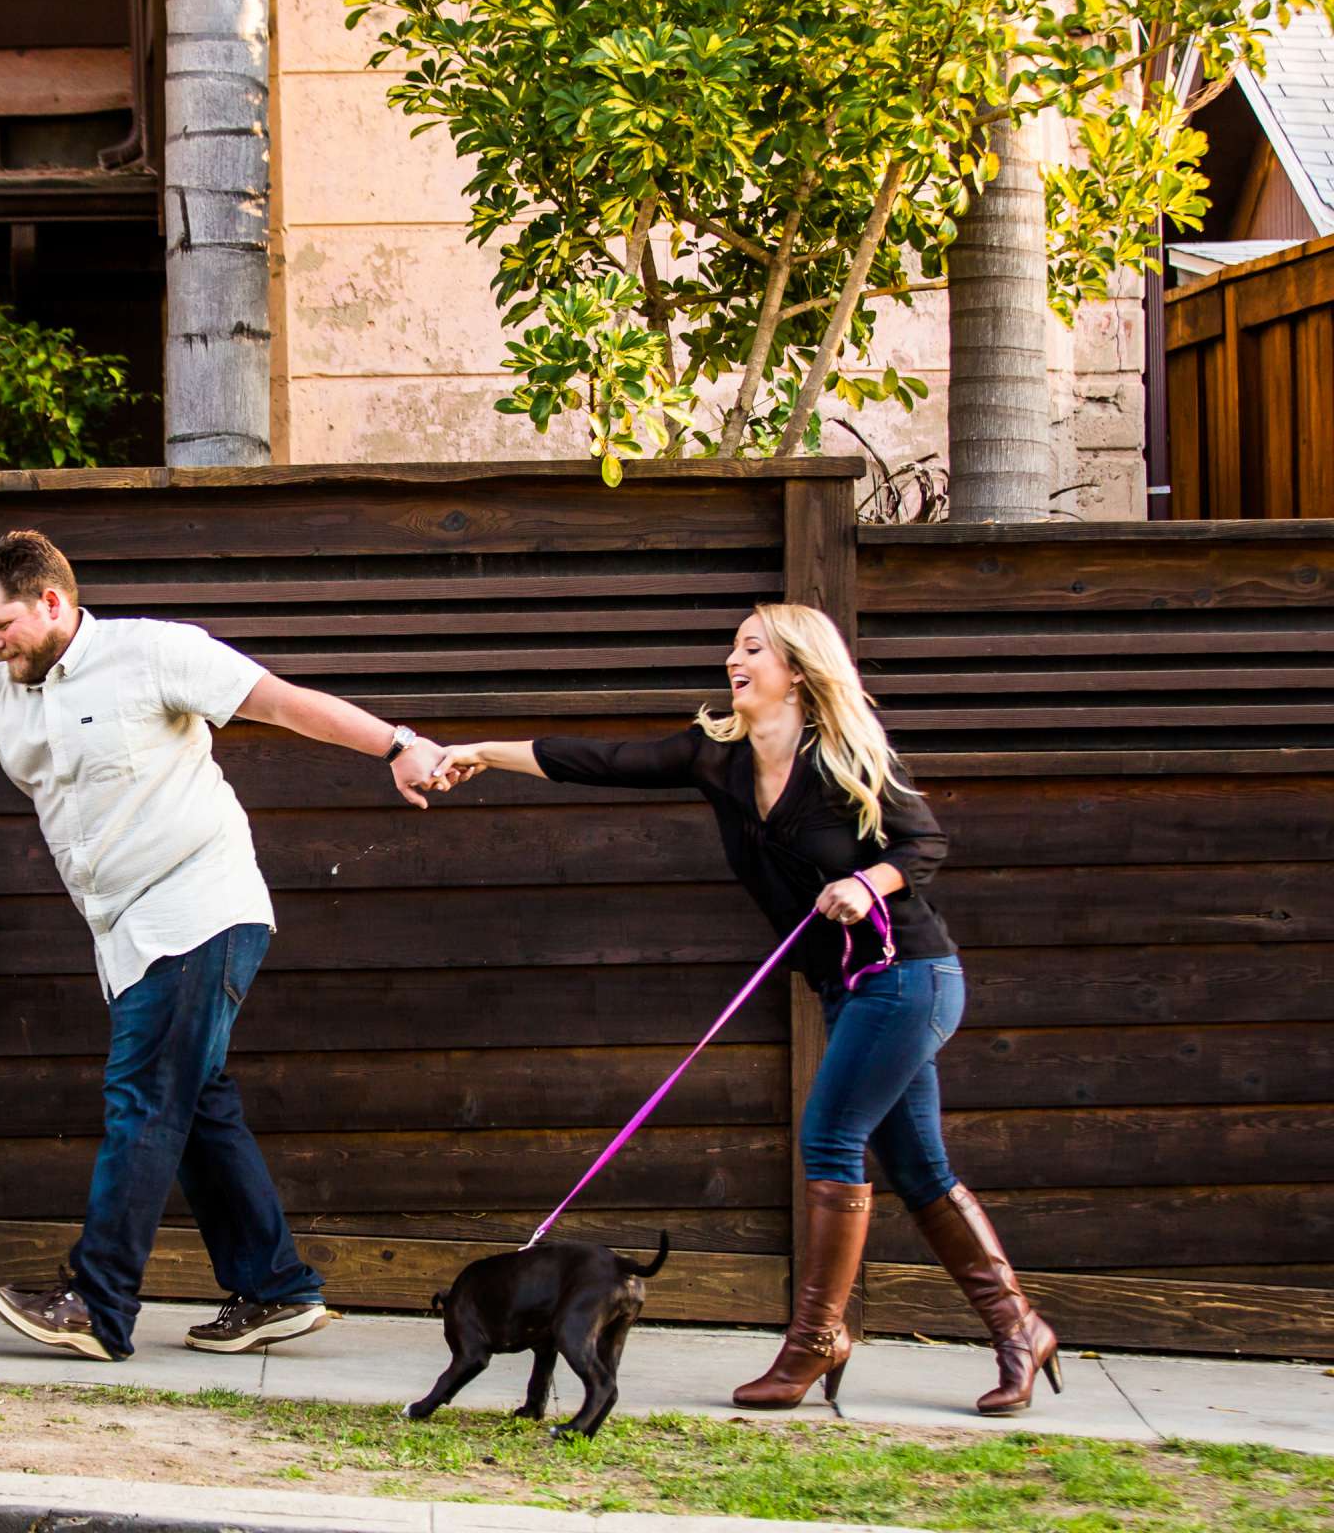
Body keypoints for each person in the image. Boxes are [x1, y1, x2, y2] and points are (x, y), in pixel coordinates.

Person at [0, 529, 446, 1362]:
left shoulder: (154, 653)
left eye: (1, 628)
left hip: (200, 906)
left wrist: (398, 747)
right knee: (196, 1105)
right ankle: (275, 1288)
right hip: (124, 934)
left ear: (52, 602)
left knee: (143, 1096)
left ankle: (96, 1303)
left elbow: (280, 701)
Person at [434, 603, 1061, 1416]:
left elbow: (924, 844)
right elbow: (604, 758)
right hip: (846, 986)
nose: (735, 660)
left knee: (832, 1136)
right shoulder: (717, 756)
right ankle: (1020, 1329)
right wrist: (483, 751)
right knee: (918, 1169)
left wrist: (869, 880)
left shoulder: (842, 757)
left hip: (908, 974)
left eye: (753, 648)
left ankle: (816, 1340)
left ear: (797, 669)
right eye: (734, 647)